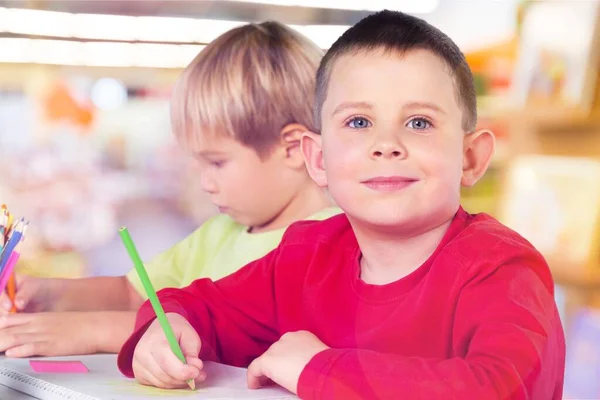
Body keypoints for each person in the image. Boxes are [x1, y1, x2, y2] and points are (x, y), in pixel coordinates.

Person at [118, 10, 565, 399]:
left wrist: (319, 369)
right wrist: (166, 329)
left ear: (470, 158)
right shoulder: (304, 257)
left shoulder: (502, 269)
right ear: (318, 159)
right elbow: (202, 307)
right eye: (358, 121)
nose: (387, 144)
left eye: (419, 121)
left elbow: (502, 388)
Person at [0, 21, 339, 358]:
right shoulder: (219, 233)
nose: (205, 183)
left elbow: (232, 333)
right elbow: (133, 293)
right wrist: (47, 294)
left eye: (217, 163)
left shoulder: (334, 243)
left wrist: (92, 329)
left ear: (292, 149)